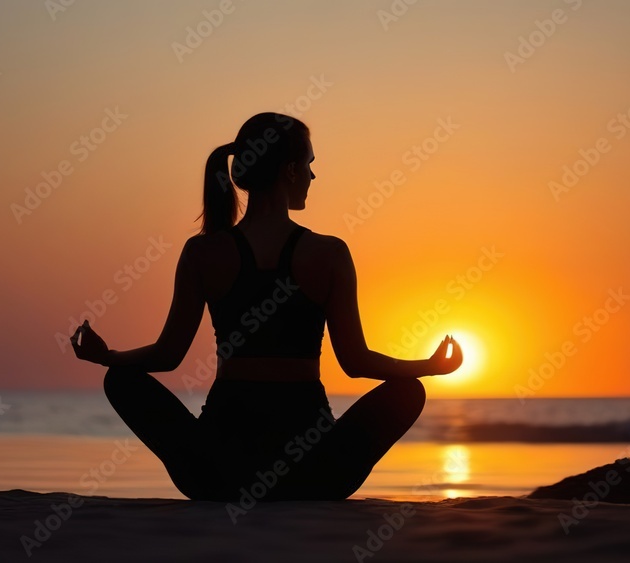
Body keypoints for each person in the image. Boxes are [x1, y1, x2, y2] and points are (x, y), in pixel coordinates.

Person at [71, 112, 462, 501]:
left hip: (219, 470)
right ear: (290, 170)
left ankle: (219, 484)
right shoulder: (329, 253)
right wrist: (428, 367)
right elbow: (356, 362)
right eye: (309, 164)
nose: (313, 176)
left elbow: (167, 355)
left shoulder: (203, 252)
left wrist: (108, 358)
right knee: (408, 391)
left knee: (121, 379)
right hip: (313, 471)